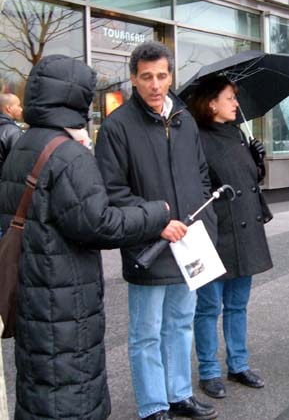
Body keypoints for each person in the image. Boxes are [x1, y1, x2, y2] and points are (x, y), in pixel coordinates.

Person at [0, 55, 173, 420]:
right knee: (70, 390)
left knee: (38, 384)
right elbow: (99, 224)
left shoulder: (24, 145)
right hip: (65, 298)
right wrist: (156, 213)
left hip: (32, 291)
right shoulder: (70, 156)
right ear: (75, 98)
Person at [95, 42, 218, 420]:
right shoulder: (117, 126)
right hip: (147, 243)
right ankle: (153, 405)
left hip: (189, 240)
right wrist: (158, 223)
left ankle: (179, 394)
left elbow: (201, 173)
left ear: (171, 76)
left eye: (162, 76)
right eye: (146, 77)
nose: (155, 84)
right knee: (146, 332)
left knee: (181, 324)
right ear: (133, 78)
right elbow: (112, 191)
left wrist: (203, 219)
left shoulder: (184, 119)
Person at [188, 75, 273, 399]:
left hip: (245, 233)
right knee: (208, 307)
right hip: (215, 234)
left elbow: (249, 180)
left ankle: (238, 364)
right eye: (230, 98)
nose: (236, 104)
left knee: (238, 305)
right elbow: (195, 187)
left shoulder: (237, 134)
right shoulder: (196, 137)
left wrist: (258, 161)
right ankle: (209, 371)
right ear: (212, 104)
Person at [0, 93, 23, 177]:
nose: (21, 109)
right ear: (9, 108)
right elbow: (18, 163)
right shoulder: (12, 131)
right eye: (18, 105)